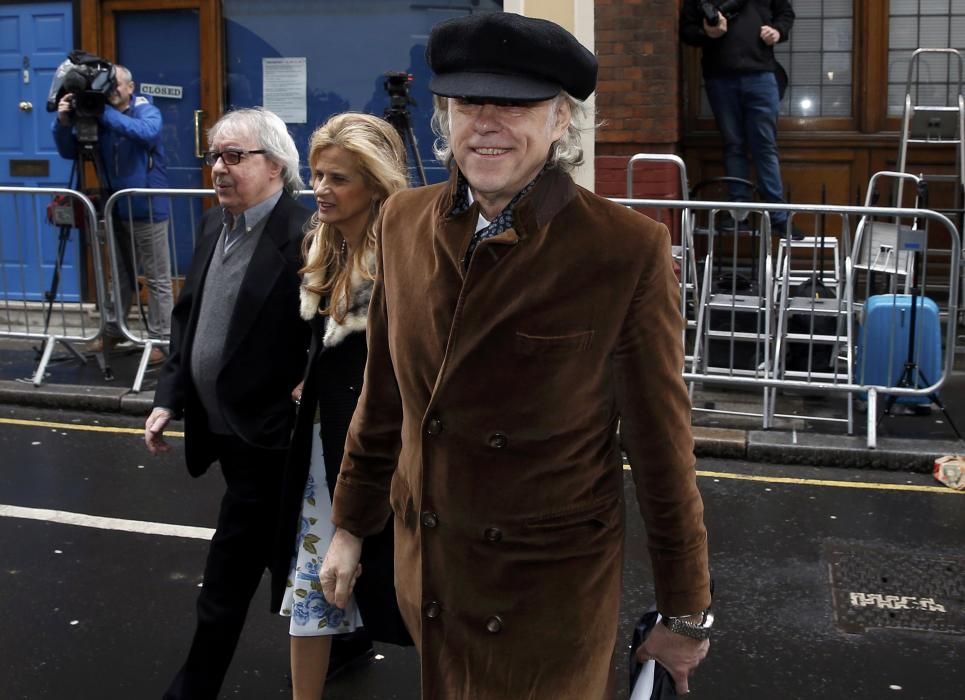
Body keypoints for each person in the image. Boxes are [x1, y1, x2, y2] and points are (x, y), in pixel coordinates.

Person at [320, 12, 712, 700]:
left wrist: (685, 611)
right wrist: (350, 527)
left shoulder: (622, 250)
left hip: (543, 598)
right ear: (445, 116)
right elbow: (382, 401)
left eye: (516, 104)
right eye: (470, 103)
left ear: (561, 121)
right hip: (432, 575)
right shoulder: (401, 221)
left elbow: (659, 449)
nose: (487, 123)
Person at [143, 107, 311, 699]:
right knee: (285, 548)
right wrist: (171, 396)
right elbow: (189, 319)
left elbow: (337, 331)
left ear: (276, 165)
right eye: (214, 155)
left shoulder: (305, 236)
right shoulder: (216, 227)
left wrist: (301, 392)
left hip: (270, 437)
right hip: (223, 431)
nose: (218, 168)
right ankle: (340, 642)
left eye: (234, 156)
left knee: (229, 569)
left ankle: (195, 686)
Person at [270, 112, 413, 699]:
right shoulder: (320, 247)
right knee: (311, 586)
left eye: (338, 179)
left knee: (413, 591)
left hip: (389, 454)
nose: (320, 189)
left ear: (376, 186)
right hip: (323, 453)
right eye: (317, 175)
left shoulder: (406, 260)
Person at [52, 64, 174, 364]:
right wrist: (64, 122)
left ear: (131, 87)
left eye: (117, 84)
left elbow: (147, 133)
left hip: (148, 208)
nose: (112, 90)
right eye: (109, 85)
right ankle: (113, 330)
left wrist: (103, 114)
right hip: (114, 206)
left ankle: (163, 339)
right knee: (118, 276)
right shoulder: (100, 113)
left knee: (157, 279)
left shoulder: (146, 111)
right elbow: (71, 151)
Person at [680, 0, 796, 236]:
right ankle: (739, 215)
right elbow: (686, 30)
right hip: (720, 78)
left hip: (761, 75)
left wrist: (778, 31)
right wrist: (707, 33)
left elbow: (785, 13)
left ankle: (778, 217)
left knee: (765, 146)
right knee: (734, 146)